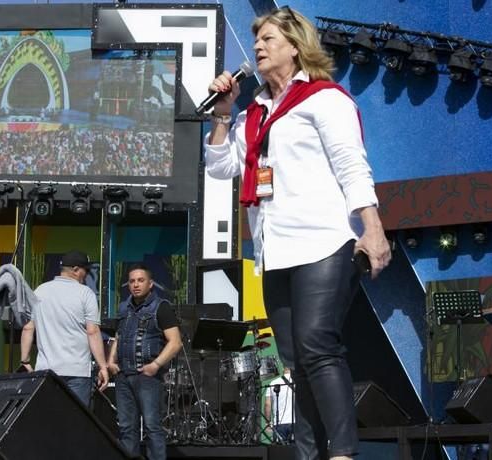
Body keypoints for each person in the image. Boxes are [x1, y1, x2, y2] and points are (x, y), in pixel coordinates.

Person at [204, 6, 392, 460]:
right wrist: (223, 116)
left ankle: (344, 452)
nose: (258, 48)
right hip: (275, 248)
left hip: (324, 241)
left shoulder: (325, 100)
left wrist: (373, 228)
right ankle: (310, 453)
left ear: (295, 45)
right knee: (295, 359)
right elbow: (221, 167)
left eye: (268, 39)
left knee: (317, 344)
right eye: (256, 42)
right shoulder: (253, 114)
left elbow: (352, 167)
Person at [107, 264, 183, 460]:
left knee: (152, 427)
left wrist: (156, 365)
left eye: (140, 280)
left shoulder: (161, 307)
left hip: (147, 376)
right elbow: (118, 335)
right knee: (126, 428)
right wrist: (111, 361)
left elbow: (175, 342)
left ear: (150, 284)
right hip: (123, 376)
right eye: (132, 281)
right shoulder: (124, 308)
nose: (135, 285)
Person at [20, 250, 109, 406]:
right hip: (77, 371)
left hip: (46, 371)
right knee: (75, 422)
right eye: (85, 270)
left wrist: (25, 360)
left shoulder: (40, 291)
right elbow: (93, 331)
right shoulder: (86, 294)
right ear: (75, 270)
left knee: (48, 422)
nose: (86, 275)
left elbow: (28, 328)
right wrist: (103, 366)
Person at [264, 367, 295, 444]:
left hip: (279, 424)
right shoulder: (299, 382)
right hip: (296, 423)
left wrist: (267, 423)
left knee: (279, 452)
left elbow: (267, 404)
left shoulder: (273, 383)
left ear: (283, 368)